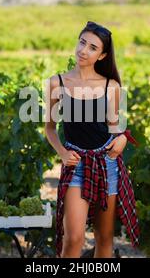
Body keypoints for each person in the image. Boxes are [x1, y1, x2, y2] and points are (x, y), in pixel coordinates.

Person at [44, 21, 140, 258]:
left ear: (102, 55)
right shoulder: (57, 83)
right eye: (82, 42)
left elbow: (115, 128)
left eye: (92, 47)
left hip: (107, 164)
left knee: (104, 239)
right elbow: (50, 128)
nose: (83, 50)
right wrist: (63, 153)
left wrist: (122, 140)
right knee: (73, 238)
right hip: (77, 165)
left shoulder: (111, 86)